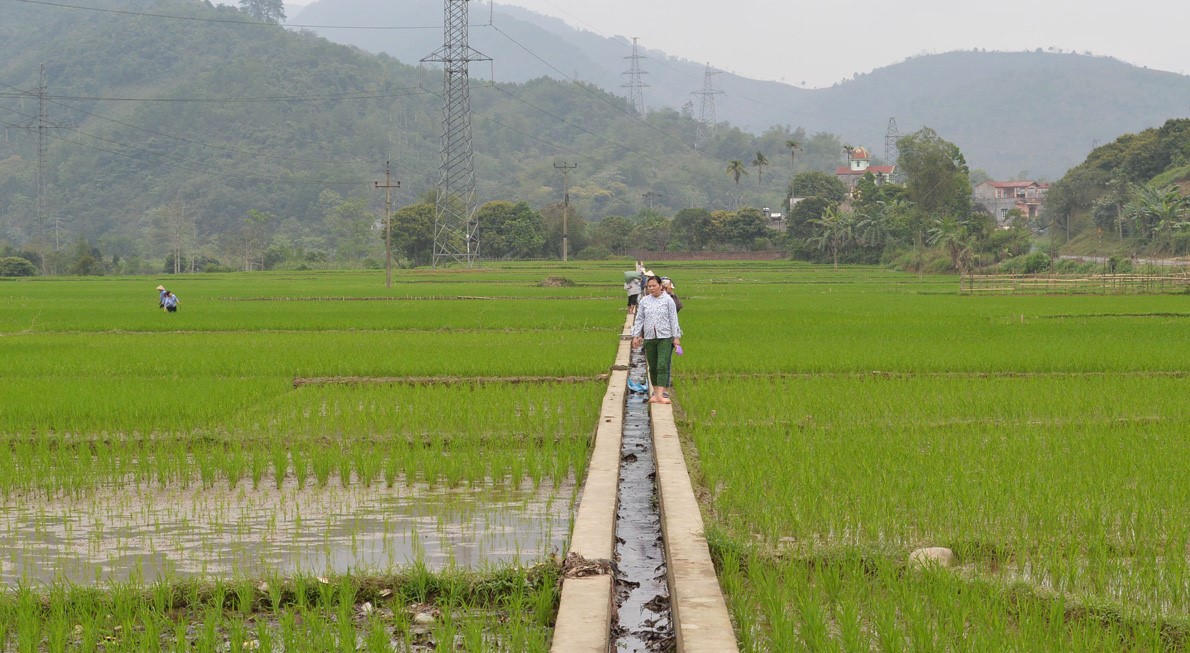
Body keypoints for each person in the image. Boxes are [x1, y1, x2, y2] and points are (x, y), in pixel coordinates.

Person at [631, 275, 682, 404]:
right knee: (652, 367)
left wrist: (676, 337)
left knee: (662, 365)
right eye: (649, 286)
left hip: (665, 337)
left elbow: (673, 319)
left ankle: (660, 394)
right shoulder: (644, 301)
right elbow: (639, 319)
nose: (652, 288)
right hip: (649, 337)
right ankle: (655, 393)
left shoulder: (668, 300)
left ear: (660, 286)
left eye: (654, 286)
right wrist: (636, 336)